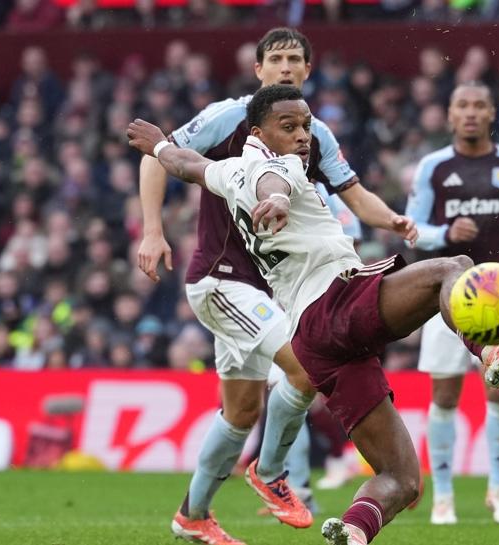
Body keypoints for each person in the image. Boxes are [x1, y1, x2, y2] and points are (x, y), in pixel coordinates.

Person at [127, 84, 499, 545]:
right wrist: (279, 199)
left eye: (306, 126)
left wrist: (160, 146)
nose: (302, 136)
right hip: (336, 302)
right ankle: (488, 351)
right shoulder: (281, 166)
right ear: (258, 133)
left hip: (316, 341)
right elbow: (274, 183)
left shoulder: (228, 171)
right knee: (455, 267)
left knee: (402, 478)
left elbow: (187, 164)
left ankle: (352, 531)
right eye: (289, 126)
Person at [137, 28, 344, 544]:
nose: (285, 67)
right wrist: (153, 231)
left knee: (241, 412)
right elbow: (161, 156)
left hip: (256, 290)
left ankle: (192, 516)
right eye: (276, 59)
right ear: (258, 70)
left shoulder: (306, 139)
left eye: (295, 59)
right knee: (305, 366)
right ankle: (270, 472)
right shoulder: (229, 118)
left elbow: (339, 194)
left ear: (309, 69)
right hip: (222, 282)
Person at [405, 81, 499, 526]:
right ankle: (444, 497)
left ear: (492, 113)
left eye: (479, 105)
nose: (471, 112)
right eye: (462, 105)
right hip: (445, 299)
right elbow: (412, 229)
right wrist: (446, 233)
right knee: (444, 395)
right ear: (450, 115)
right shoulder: (434, 167)